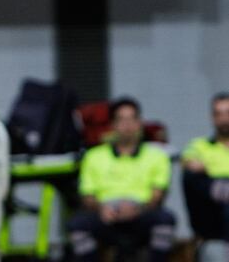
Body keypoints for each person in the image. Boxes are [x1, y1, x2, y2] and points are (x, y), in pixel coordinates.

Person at [67, 97, 175, 262]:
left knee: (165, 219)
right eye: (122, 120)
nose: (127, 125)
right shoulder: (94, 156)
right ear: (113, 125)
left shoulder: (157, 156)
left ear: (140, 123)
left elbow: (157, 195)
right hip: (106, 215)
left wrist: (138, 210)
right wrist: (101, 208)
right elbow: (87, 195)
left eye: (132, 119)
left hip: (141, 214)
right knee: (77, 224)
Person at [181, 92, 229, 254]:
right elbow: (188, 160)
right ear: (212, 117)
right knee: (190, 176)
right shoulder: (199, 145)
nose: (224, 119)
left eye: (228, 112)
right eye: (218, 114)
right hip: (211, 208)